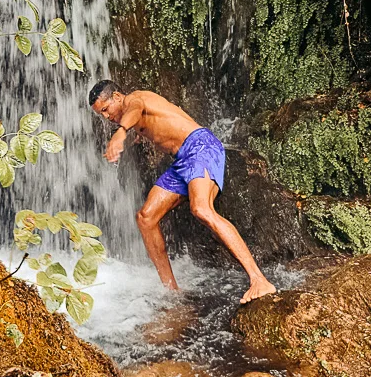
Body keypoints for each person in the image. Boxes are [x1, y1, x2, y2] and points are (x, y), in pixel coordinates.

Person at [89, 80, 276, 303]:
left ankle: (259, 280)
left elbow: (136, 109)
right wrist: (138, 134)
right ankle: (172, 292)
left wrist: (121, 133)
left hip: (200, 147)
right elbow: (164, 116)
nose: (107, 117)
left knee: (202, 209)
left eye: (106, 109)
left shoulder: (133, 99)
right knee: (145, 218)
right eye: (102, 115)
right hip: (183, 161)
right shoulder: (134, 115)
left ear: (117, 97)